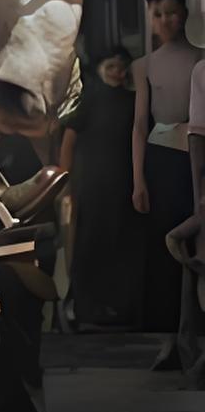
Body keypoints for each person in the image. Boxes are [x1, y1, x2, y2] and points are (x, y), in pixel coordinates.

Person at [132, 0, 204, 366]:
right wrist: (138, 179)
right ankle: (168, 341)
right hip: (160, 166)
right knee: (162, 254)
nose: (164, 20)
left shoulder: (200, 60)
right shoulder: (143, 66)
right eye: (157, 13)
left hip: (195, 162)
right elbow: (139, 125)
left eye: (171, 12)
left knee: (195, 247)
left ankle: (194, 334)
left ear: (184, 15)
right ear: (150, 16)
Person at [59, 46, 142, 327]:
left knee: (120, 243)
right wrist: (64, 182)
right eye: (111, 67)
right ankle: (86, 308)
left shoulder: (134, 100)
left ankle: (118, 308)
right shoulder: (87, 99)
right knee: (90, 242)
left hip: (125, 184)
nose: (118, 73)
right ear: (98, 69)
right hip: (92, 185)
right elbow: (68, 141)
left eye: (122, 68)